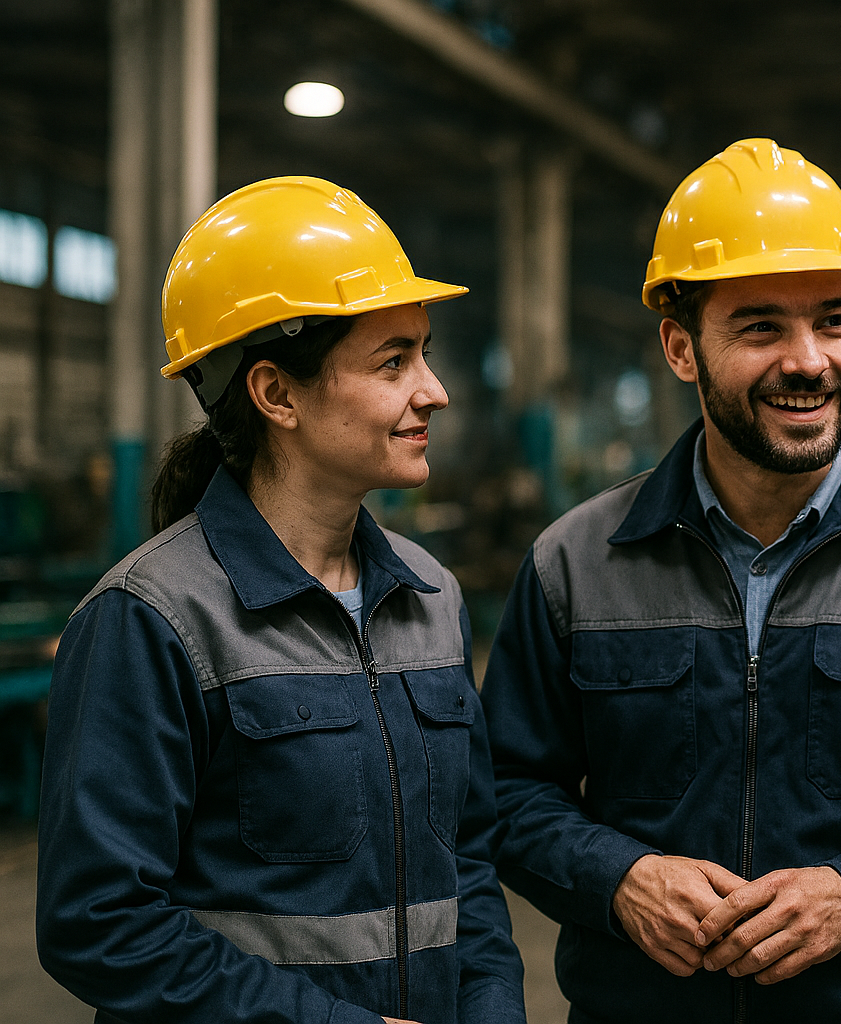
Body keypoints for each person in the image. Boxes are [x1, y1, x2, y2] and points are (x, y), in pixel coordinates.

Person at [480, 138, 841, 1023]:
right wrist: (619, 878)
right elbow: (507, 793)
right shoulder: (576, 563)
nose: (810, 361)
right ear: (681, 348)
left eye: (834, 320)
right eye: (761, 327)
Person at [36, 176, 526, 1024]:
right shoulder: (154, 619)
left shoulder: (431, 597)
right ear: (276, 394)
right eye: (393, 361)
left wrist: (490, 1009)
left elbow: (469, 870)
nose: (434, 390)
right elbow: (99, 922)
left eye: (425, 351)